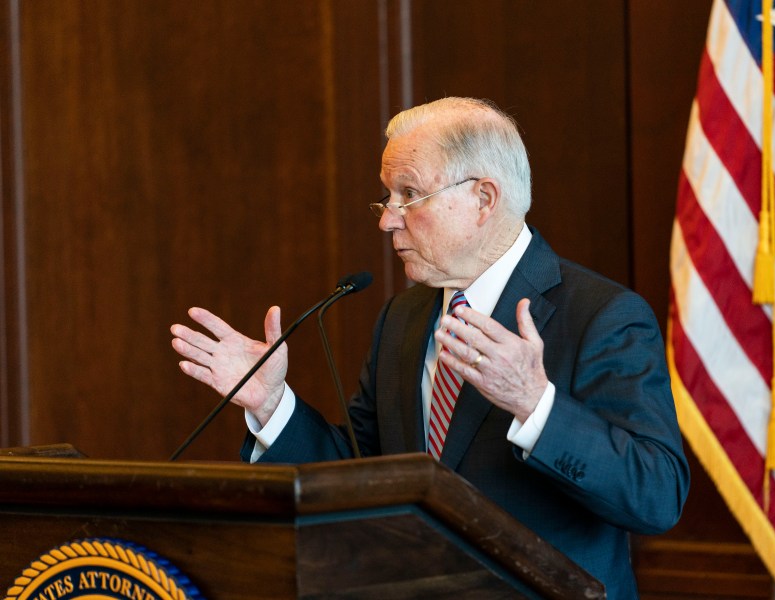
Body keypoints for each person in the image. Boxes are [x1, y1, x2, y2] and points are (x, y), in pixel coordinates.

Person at [171, 97, 689, 598]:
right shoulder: (403, 318)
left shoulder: (602, 316)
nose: (387, 219)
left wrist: (537, 406)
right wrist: (271, 404)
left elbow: (657, 494)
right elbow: (363, 475)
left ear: (484, 199)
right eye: (387, 196)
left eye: (408, 194)